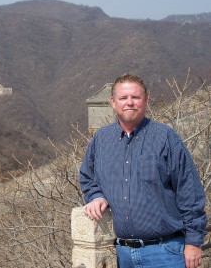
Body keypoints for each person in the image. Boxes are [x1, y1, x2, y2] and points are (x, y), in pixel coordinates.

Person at [79, 74, 207, 268]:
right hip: (123, 254)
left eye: (135, 97)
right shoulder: (101, 140)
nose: (129, 103)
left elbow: (189, 191)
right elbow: (87, 176)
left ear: (146, 100)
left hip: (166, 252)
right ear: (113, 102)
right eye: (123, 98)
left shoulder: (166, 138)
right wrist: (96, 196)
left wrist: (193, 242)